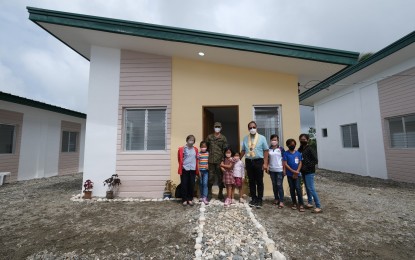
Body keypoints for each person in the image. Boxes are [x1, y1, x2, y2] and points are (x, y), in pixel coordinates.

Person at [240, 121, 269, 209]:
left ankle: (260, 199)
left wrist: (265, 163)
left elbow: (266, 151)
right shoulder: (245, 138)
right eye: (250, 127)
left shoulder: (262, 138)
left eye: (254, 127)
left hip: (259, 161)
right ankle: (253, 198)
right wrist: (237, 159)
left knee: (259, 181)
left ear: (256, 128)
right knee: (251, 181)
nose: (252, 129)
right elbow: (243, 150)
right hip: (249, 161)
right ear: (248, 129)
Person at [298, 134, 322, 213]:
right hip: (303, 172)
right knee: (307, 188)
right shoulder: (300, 149)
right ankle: (309, 203)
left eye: (304, 139)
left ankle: (318, 206)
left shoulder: (310, 149)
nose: (302, 140)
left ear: (307, 140)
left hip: (309, 171)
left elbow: (315, 160)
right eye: (301, 139)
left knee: (311, 188)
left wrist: (307, 167)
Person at [205, 122, 228, 200]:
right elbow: (206, 148)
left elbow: (225, 150)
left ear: (221, 128)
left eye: (218, 127)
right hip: (211, 161)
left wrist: (223, 161)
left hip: (219, 161)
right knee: (210, 178)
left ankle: (220, 193)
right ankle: (209, 193)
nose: (217, 128)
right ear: (213, 127)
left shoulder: (223, 138)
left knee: (220, 178)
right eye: (216, 126)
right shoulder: (209, 137)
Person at [283, 139, 305, 212]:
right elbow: (285, 164)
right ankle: (294, 203)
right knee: (292, 189)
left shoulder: (298, 153)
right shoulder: (286, 154)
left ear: (295, 145)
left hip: (297, 174)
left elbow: (300, 163)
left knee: (298, 188)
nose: (292, 145)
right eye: (290, 144)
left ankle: (301, 204)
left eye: (293, 144)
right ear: (287, 145)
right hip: (290, 174)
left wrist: (297, 172)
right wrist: (293, 171)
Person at [177, 135, 199, 206]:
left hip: (192, 169)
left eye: (192, 140)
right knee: (184, 184)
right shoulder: (182, 149)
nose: (191, 141)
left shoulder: (195, 149)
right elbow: (179, 159)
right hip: (184, 168)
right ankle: (184, 199)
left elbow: (197, 158)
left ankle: (190, 199)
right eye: (190, 139)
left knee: (191, 184)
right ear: (187, 140)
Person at [267, 134, 285, 209]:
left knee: (279, 185)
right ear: (270, 140)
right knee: (274, 185)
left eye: (275, 140)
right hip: (272, 170)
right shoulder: (268, 149)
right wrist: (267, 167)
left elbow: (284, 160)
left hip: (279, 170)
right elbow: (267, 159)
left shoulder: (281, 149)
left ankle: (281, 201)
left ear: (278, 141)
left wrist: (284, 169)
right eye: (272, 140)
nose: (274, 141)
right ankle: (276, 199)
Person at [198, 141, 209, 205]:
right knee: (201, 183)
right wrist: (198, 171)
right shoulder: (199, 154)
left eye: (204, 146)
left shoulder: (208, 153)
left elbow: (209, 161)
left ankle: (205, 197)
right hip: (200, 171)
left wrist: (208, 165)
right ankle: (201, 196)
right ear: (200, 147)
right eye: (202, 146)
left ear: (206, 147)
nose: (203, 148)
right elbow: (198, 162)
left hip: (206, 172)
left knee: (205, 183)